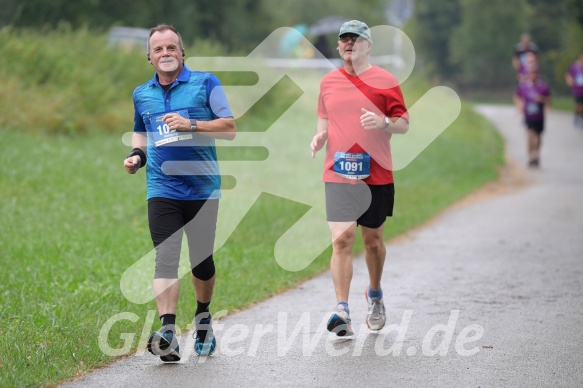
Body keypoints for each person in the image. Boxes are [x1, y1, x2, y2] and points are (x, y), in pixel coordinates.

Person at [123, 24, 236, 361]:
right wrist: (137, 156)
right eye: (158, 49)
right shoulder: (142, 93)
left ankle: (203, 318)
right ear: (149, 57)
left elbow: (229, 128)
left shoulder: (206, 83)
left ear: (182, 52)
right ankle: (168, 331)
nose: (165, 53)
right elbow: (140, 132)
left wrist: (192, 125)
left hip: (202, 187)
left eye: (171, 47)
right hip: (162, 186)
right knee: (166, 255)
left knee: (201, 261)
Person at [310, 20, 409, 336]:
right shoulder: (328, 82)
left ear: (368, 46)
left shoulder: (386, 81)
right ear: (338, 47)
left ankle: (375, 294)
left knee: (373, 241)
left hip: (376, 172)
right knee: (341, 239)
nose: (349, 44)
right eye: (344, 40)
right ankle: (342, 310)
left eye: (356, 39)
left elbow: (403, 123)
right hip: (338, 172)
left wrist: (382, 122)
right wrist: (320, 137)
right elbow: (324, 118)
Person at [513, 68, 551, 167]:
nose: (533, 76)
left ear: (538, 75)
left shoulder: (543, 87)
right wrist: (520, 105)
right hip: (528, 115)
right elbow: (517, 97)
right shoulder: (523, 86)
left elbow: (549, 100)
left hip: (539, 116)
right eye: (531, 74)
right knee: (530, 135)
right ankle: (530, 156)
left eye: (535, 73)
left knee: (538, 137)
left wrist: (541, 99)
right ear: (529, 75)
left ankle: (537, 155)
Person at [564, 52, 583, 128]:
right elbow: (568, 74)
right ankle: (577, 117)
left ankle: (579, 118)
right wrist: (569, 80)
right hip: (577, 89)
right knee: (578, 105)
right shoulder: (574, 66)